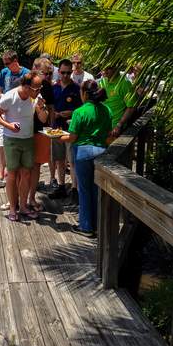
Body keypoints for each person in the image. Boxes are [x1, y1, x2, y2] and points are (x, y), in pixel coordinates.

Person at [58, 80, 112, 237]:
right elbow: (108, 133)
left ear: (84, 94)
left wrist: (58, 137)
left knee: (84, 190)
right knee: (96, 190)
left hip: (83, 153)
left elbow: (73, 137)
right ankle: (97, 224)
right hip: (101, 152)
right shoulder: (106, 109)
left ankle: (86, 227)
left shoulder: (79, 112)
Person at [0, 72, 47, 221]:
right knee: (12, 174)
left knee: (26, 174)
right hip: (12, 141)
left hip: (28, 140)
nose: (38, 92)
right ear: (26, 86)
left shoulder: (35, 98)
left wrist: (42, 108)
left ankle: (23, 206)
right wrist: (8, 125)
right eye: (36, 89)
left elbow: (43, 118)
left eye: (40, 88)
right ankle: (12, 208)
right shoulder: (10, 96)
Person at [0, 50, 30, 190]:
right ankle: (0, 176)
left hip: (20, 115)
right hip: (5, 113)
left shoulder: (26, 73)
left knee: (18, 145)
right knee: (1, 145)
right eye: (4, 64)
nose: (5, 66)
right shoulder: (4, 72)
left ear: (15, 61)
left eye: (7, 63)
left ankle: (15, 177)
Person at [50, 59, 82, 202]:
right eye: (63, 72)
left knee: (72, 160)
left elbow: (81, 109)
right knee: (59, 159)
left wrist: (70, 113)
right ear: (58, 72)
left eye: (68, 73)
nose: (65, 75)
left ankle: (75, 189)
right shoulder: (54, 88)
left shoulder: (77, 88)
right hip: (56, 128)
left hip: (71, 129)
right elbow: (49, 107)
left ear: (72, 72)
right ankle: (62, 186)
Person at [28, 58, 53, 211]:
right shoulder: (25, 82)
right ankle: (15, 200)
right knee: (21, 167)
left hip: (41, 130)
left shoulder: (48, 86)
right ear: (35, 69)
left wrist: (51, 127)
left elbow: (51, 107)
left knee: (36, 165)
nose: (48, 76)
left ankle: (31, 198)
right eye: (45, 73)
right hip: (23, 131)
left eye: (50, 73)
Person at [99, 64, 137, 138]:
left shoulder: (124, 83)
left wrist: (119, 125)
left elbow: (131, 107)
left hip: (114, 130)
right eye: (103, 67)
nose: (105, 70)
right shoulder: (102, 81)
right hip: (101, 127)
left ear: (117, 67)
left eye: (109, 67)